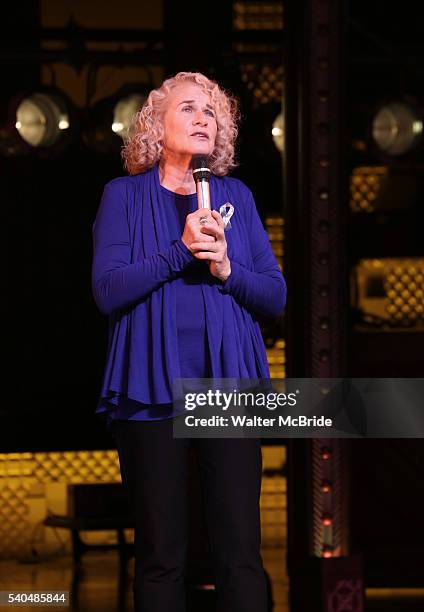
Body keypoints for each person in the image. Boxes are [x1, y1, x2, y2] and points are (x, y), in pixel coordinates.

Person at [91, 71, 286, 612]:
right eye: (189, 109)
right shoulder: (123, 196)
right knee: (161, 555)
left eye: (211, 112)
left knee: (241, 553)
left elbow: (275, 295)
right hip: (151, 391)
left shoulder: (236, 196)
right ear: (156, 124)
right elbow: (107, 291)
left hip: (229, 390)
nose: (204, 118)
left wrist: (227, 267)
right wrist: (180, 251)